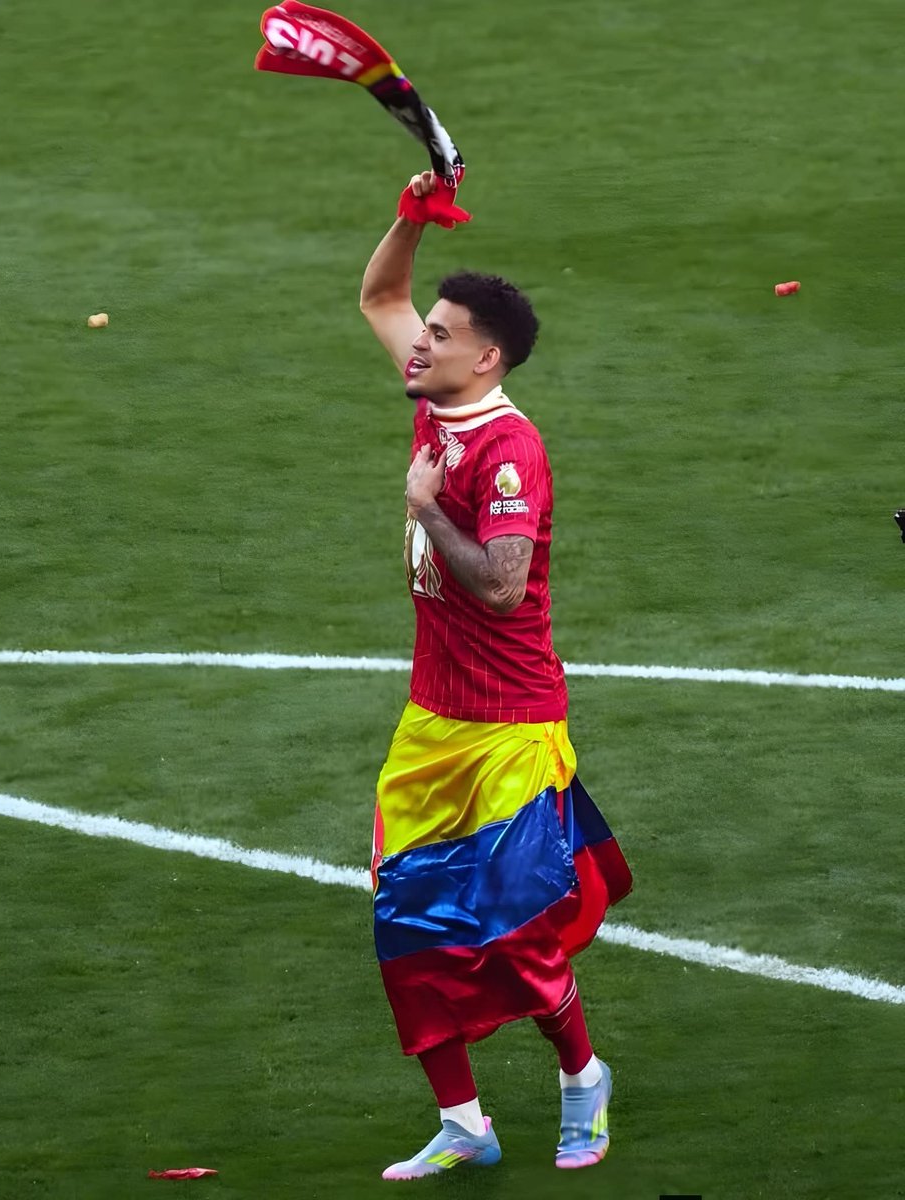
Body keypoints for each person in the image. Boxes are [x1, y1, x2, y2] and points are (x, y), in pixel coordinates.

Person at [360, 170, 633, 1181]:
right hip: (432, 722)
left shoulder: (507, 449)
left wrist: (430, 510)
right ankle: (464, 1122)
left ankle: (581, 1082)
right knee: (406, 919)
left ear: (489, 356)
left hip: (512, 727)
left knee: (515, 935)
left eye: (441, 332)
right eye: (425, 330)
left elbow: (506, 589)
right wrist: (412, 216)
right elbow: (379, 298)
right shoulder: (435, 399)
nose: (418, 340)